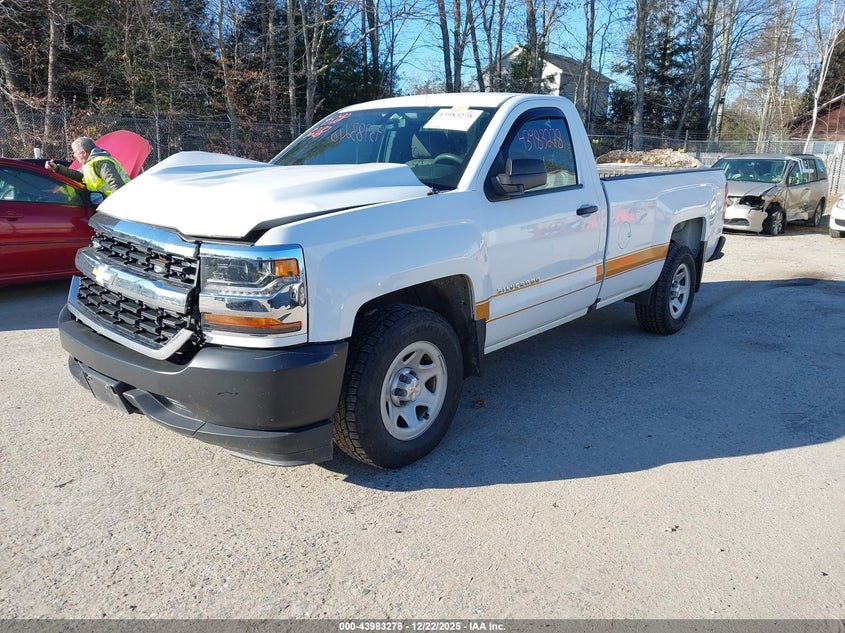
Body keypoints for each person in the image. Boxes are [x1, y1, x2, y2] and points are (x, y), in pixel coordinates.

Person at [45, 136, 130, 196]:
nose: (74, 155)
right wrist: (56, 168)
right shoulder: (90, 164)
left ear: (84, 153)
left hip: (120, 203)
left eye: (75, 152)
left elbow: (117, 185)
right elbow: (78, 175)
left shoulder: (101, 163)